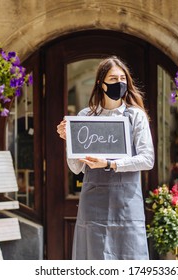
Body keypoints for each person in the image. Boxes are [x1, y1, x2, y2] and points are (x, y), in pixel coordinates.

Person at [56, 56, 154, 260]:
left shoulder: (135, 116)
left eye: (123, 78)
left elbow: (147, 159)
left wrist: (110, 164)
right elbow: (75, 167)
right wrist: (69, 140)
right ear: (101, 84)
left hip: (126, 201)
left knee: (129, 256)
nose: (119, 83)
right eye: (113, 78)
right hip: (94, 201)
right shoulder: (85, 117)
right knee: (94, 256)